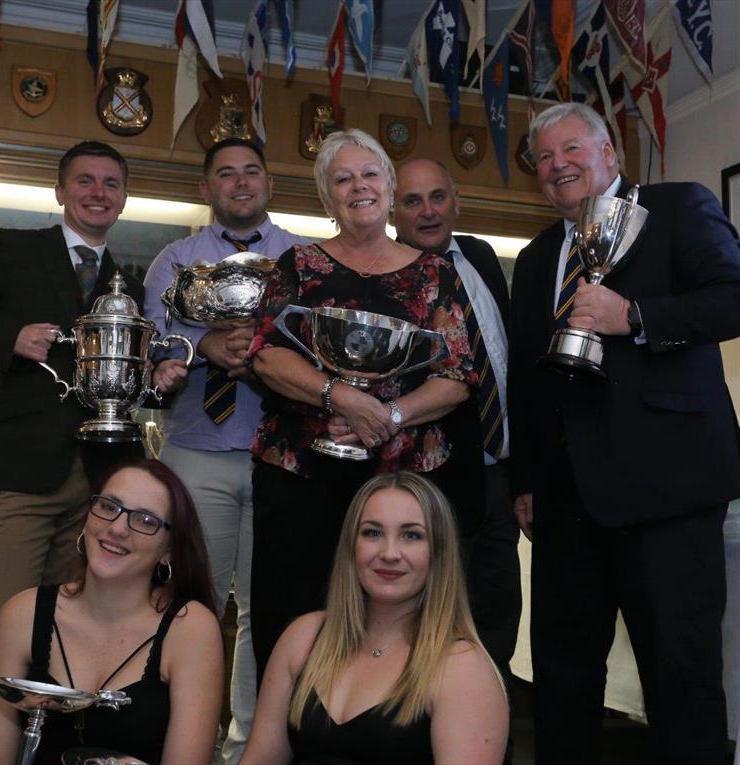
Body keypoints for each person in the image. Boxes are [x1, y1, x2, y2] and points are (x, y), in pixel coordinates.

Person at [508, 101, 740, 765]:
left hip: (667, 493)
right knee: (562, 676)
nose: (558, 165)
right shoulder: (535, 257)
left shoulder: (675, 209)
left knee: (681, 679)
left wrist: (633, 313)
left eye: (572, 149)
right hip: (565, 505)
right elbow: (530, 381)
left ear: (610, 153)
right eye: (545, 159)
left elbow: (733, 296)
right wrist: (526, 481)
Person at [0, 141, 153, 745]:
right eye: (85, 181)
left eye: (111, 183)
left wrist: (162, 372)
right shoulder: (17, 248)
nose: (97, 192)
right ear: (61, 191)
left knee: (71, 629)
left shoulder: (126, 280)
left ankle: (51, 753)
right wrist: (11, 336)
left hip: (100, 484)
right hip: (22, 472)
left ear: (123, 197)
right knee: (2, 619)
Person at [248, 129, 480, 682]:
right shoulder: (296, 264)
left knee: (399, 635)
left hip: (401, 483)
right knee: (292, 627)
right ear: (328, 198)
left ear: (390, 187)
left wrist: (390, 417)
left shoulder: (435, 273)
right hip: (299, 476)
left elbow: (459, 375)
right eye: (343, 178)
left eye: (370, 174)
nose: (359, 187)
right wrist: (342, 397)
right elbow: (264, 355)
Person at [143, 137, 311, 764]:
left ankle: (251, 748)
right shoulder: (178, 258)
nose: (240, 183)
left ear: (269, 184)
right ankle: (188, 745)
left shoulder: (302, 256)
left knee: (268, 610)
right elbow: (152, 334)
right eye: (225, 174)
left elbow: (319, 335)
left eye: (252, 172)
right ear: (207, 189)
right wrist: (200, 345)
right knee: (192, 608)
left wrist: (265, 350)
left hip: (282, 453)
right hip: (195, 451)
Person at [0, 458, 224, 765]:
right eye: (108, 506)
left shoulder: (190, 628)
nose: (117, 528)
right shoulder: (23, 614)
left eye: (144, 520)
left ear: (169, 550)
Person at [240, 471, 508, 765]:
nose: (389, 553)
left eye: (411, 535)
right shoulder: (303, 637)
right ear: (350, 546)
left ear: (439, 554)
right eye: (373, 533)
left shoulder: (462, 668)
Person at [392, 158, 520, 691]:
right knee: (435, 629)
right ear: (394, 210)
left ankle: (492, 733)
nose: (428, 211)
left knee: (497, 618)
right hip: (434, 477)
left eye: (437, 197)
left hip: (502, 473)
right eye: (413, 201)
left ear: (456, 200)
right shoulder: (385, 274)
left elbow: (507, 356)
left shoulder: (481, 256)